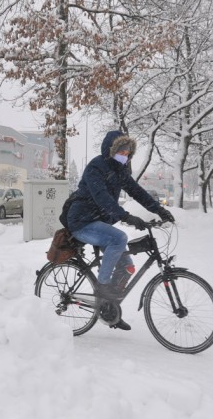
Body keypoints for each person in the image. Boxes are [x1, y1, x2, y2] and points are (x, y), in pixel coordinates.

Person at [67, 130, 175, 331]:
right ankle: (102, 288)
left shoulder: (120, 171)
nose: (124, 156)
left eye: (128, 153)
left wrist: (158, 209)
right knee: (119, 238)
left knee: (127, 268)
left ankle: (110, 310)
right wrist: (126, 216)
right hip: (81, 222)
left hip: (98, 223)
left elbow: (137, 192)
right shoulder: (96, 167)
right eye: (121, 151)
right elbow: (102, 198)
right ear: (111, 150)